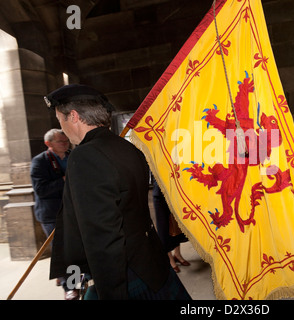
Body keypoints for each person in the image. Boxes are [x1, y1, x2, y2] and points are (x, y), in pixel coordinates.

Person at [45, 84, 191, 300]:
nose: (63, 129)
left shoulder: (84, 156)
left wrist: (111, 294)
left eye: (61, 120)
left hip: (120, 274)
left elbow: (102, 237)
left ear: (74, 116)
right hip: (149, 263)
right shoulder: (128, 147)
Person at [30, 129, 76, 299]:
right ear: (48, 144)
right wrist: (63, 180)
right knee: (63, 252)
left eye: (66, 141)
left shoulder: (74, 156)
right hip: (51, 214)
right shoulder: (39, 162)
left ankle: (65, 276)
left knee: (75, 249)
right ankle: (69, 286)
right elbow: (41, 190)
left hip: (73, 211)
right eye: (60, 142)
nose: (65, 144)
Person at [152, 178, 190, 273]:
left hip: (174, 187)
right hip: (160, 189)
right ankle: (169, 259)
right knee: (163, 226)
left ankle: (177, 254)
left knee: (176, 224)